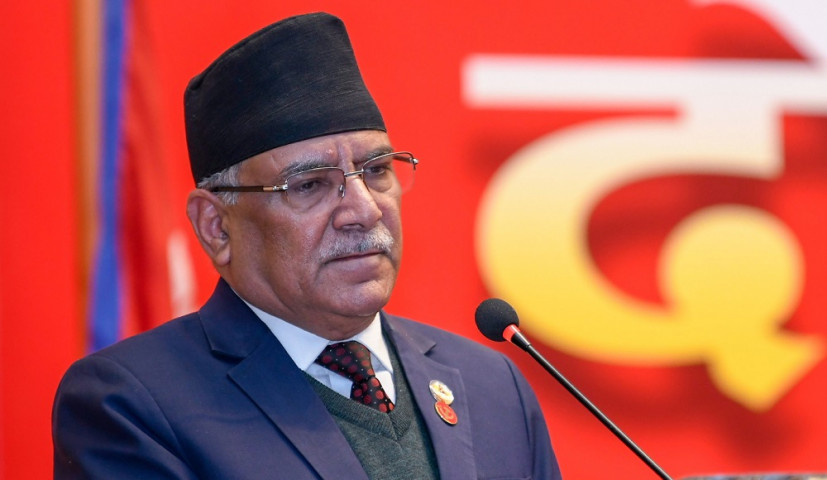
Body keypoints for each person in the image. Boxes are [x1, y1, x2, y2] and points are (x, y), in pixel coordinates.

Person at [52, 12, 563, 479]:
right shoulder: (134, 405)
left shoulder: (491, 386)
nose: (364, 209)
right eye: (310, 185)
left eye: (377, 171)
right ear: (216, 226)